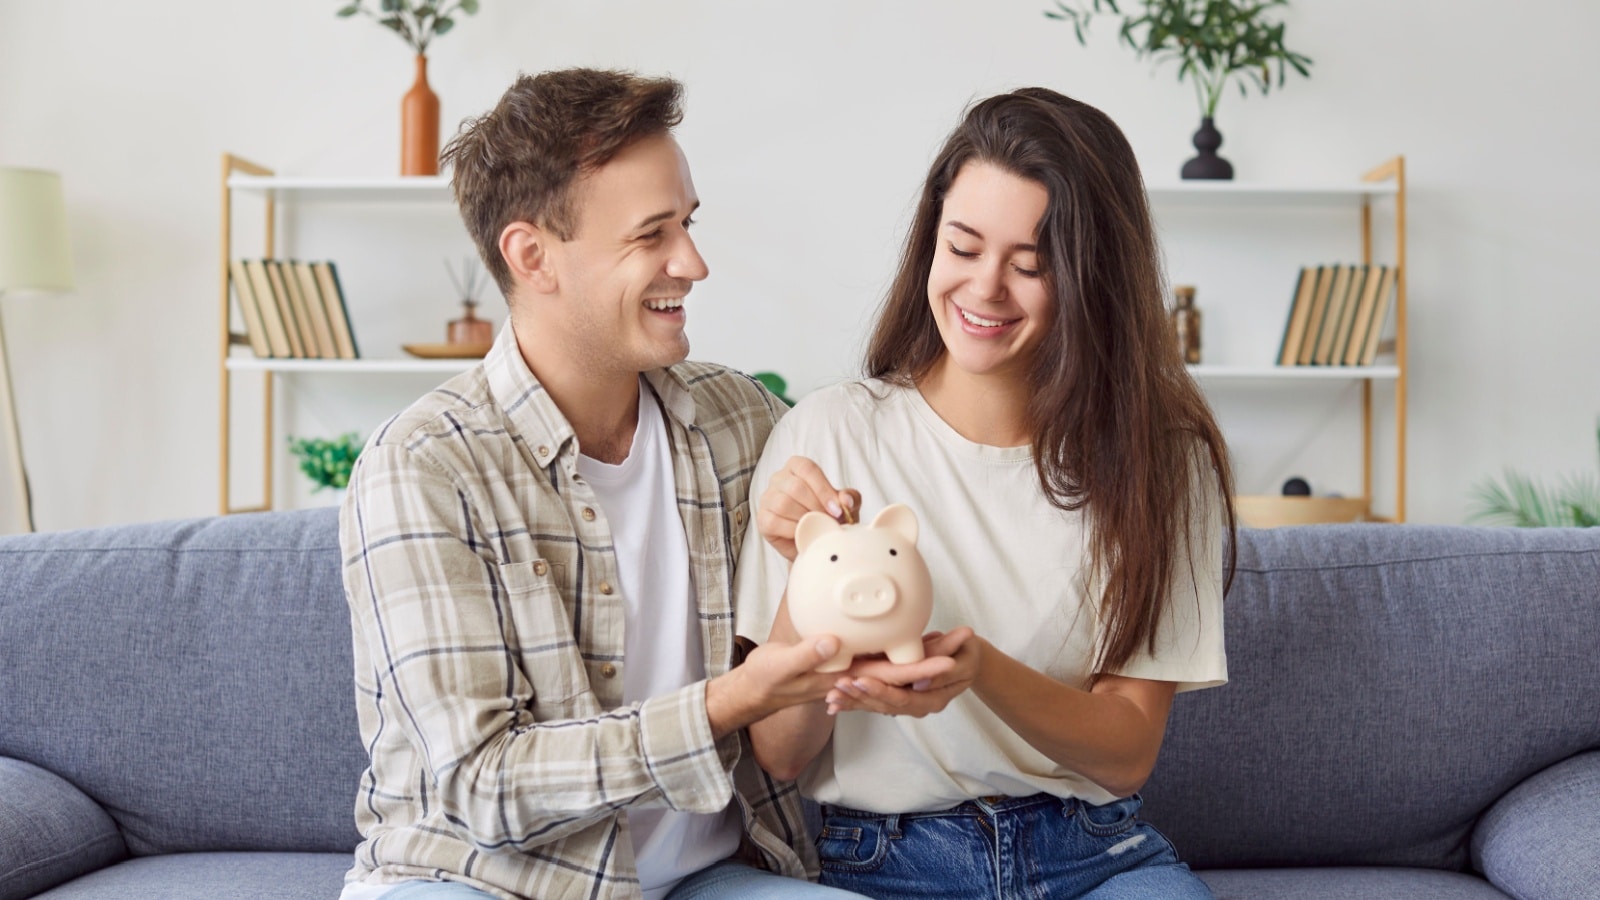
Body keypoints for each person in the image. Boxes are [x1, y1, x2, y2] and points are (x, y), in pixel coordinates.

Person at [338, 69, 900, 900]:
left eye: (689, 223)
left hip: (707, 876)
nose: (694, 262)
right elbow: (486, 788)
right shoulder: (423, 465)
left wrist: (818, 578)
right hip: (485, 879)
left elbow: (790, 718)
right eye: (652, 235)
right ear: (533, 256)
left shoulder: (739, 419)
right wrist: (721, 704)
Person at [735, 87, 1237, 899]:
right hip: (880, 859)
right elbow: (781, 753)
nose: (985, 290)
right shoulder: (830, 434)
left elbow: (1126, 751)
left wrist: (979, 672)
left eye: (1029, 266)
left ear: (1091, 281)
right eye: (962, 247)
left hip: (1093, 857)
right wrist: (810, 575)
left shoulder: (1162, 464)